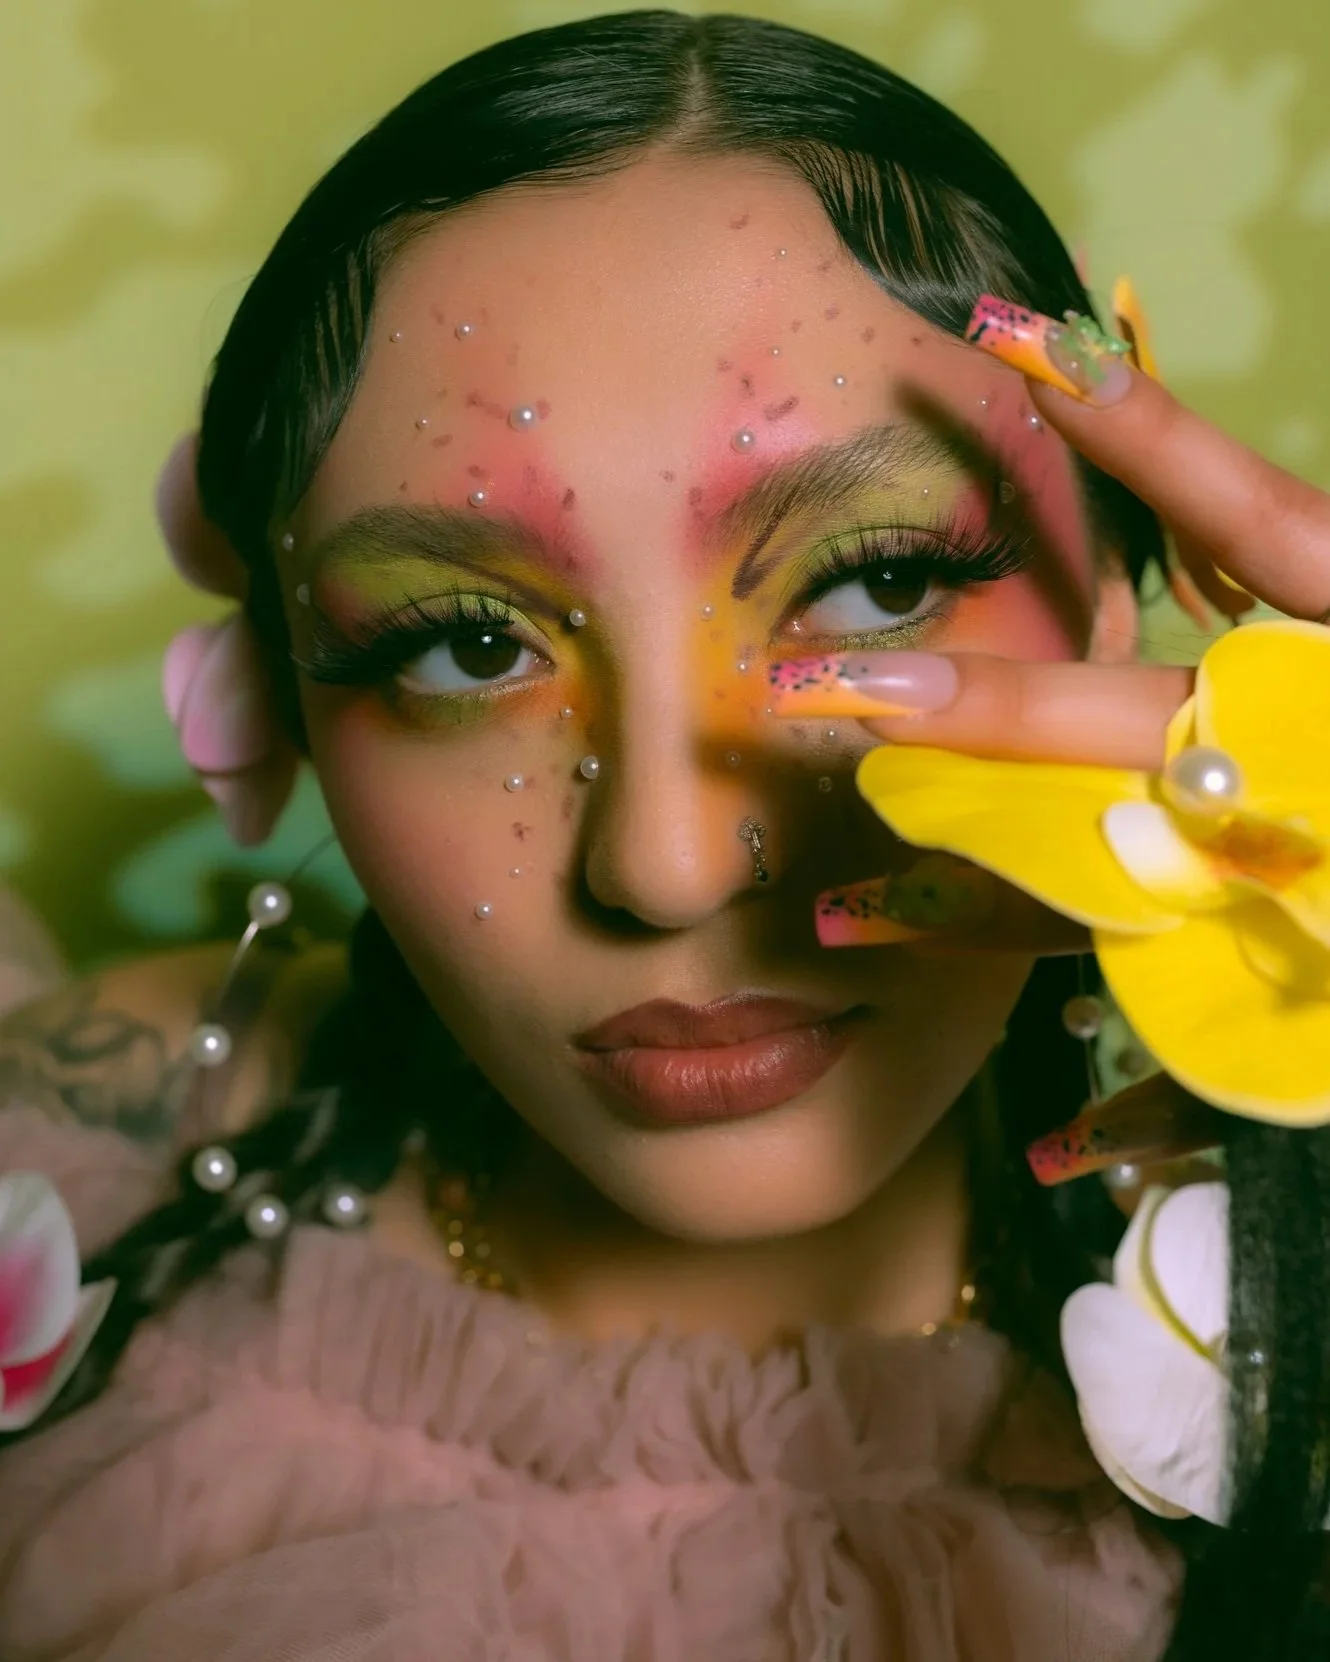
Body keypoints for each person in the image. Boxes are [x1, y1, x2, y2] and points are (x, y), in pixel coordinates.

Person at [1, 11, 1327, 1659]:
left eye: (881, 579)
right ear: (283, 681)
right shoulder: (84, 1177)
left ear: (1120, 609)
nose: (668, 864)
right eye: (466, 646)